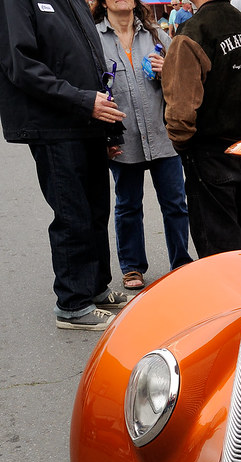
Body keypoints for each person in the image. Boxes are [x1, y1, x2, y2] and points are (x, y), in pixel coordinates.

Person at [0, 0, 131, 330]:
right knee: (73, 214)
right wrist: (84, 101)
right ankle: (72, 304)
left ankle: (96, 287)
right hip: (53, 124)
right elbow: (21, 65)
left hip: (86, 121)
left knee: (96, 209)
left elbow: (93, 62)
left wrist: (109, 129)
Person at [93, 0, 193, 291]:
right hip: (123, 139)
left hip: (163, 137)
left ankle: (181, 263)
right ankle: (132, 267)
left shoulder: (156, 35)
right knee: (128, 206)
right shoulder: (94, 38)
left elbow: (184, 79)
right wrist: (104, 138)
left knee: (175, 204)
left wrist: (168, 72)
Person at [162, 0, 241, 258]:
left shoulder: (194, 32)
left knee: (219, 247)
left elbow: (181, 106)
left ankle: (228, 297)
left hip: (210, 149)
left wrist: (182, 143)